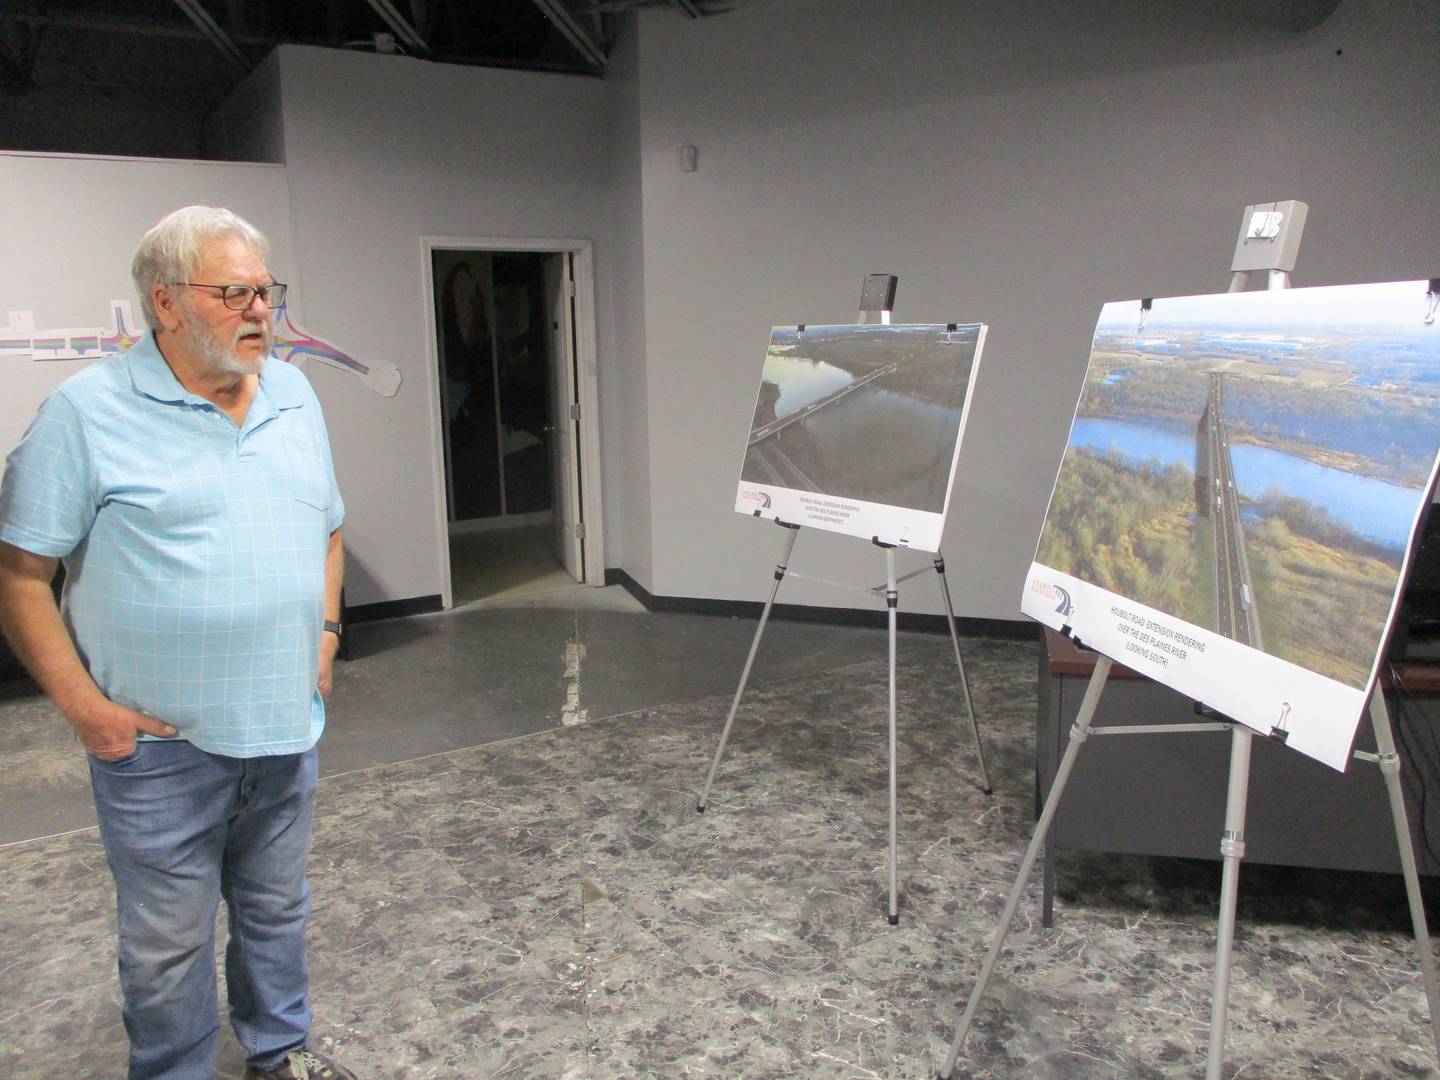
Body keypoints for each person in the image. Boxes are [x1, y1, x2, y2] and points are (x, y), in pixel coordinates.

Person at [0, 206, 355, 1080]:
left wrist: (326, 633)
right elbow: (19, 576)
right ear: (165, 303)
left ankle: (280, 1052)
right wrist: (91, 715)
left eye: (265, 292)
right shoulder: (86, 414)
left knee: (277, 912)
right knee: (166, 947)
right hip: (160, 750)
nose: (260, 311)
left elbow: (330, 530)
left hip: (284, 727)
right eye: (234, 293)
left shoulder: (295, 393)